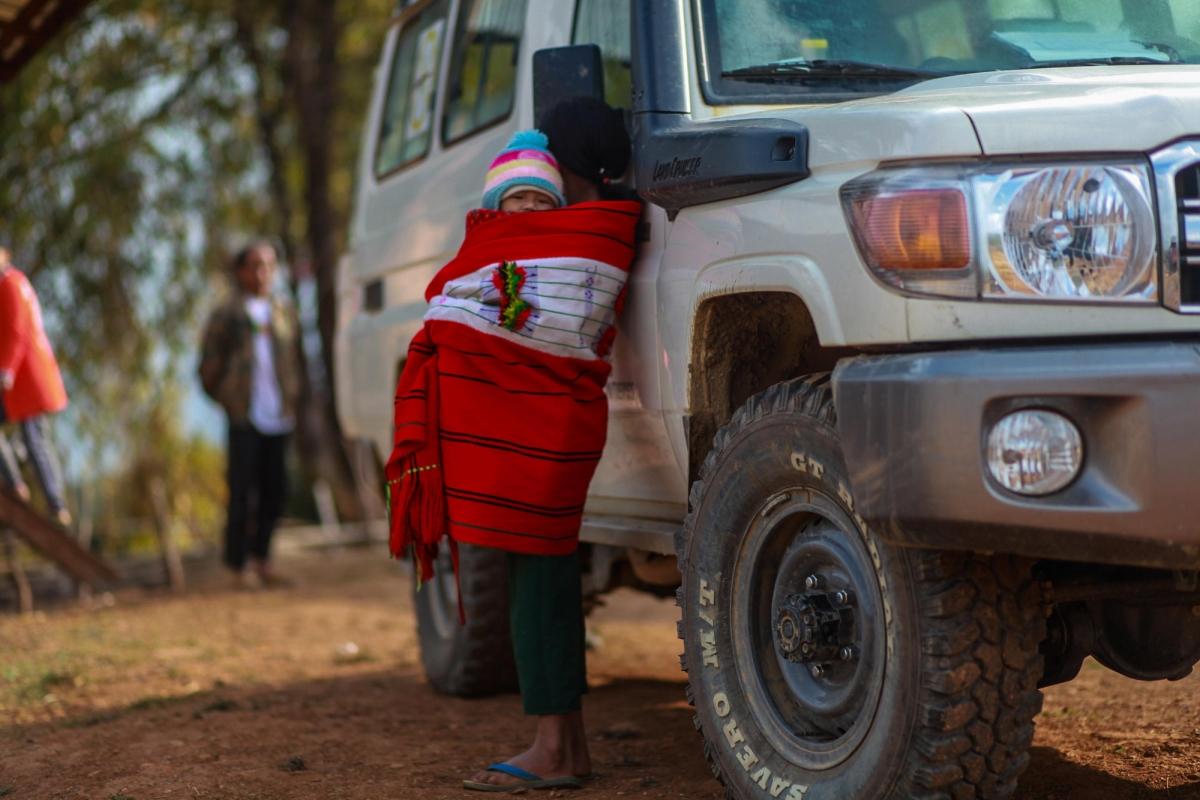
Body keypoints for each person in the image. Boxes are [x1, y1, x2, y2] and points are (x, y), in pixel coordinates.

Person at [385, 119, 637, 794]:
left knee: (539, 574)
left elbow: (473, 303)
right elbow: (462, 300)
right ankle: (566, 744)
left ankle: (554, 750)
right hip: (546, 427)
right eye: (515, 203)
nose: (528, 213)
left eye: (542, 198)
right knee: (545, 572)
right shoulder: (586, 229)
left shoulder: (593, 233)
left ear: (571, 189)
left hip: (549, 425)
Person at [198, 242, 301, 589]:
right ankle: (237, 566)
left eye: (269, 265)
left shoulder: (282, 309)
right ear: (241, 271)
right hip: (245, 415)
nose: (263, 273)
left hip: (279, 415)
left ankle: (263, 560)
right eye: (256, 265)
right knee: (243, 491)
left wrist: (293, 394)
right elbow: (208, 367)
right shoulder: (227, 314)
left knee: (277, 489)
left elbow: (292, 359)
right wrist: (228, 399)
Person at [0, 246, 71, 526]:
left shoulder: (9, 284)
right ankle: (43, 496)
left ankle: (52, 501)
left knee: (35, 438)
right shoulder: (17, 282)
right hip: (28, 378)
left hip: (25, 379)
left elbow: (17, 330)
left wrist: (7, 369)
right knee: (34, 437)